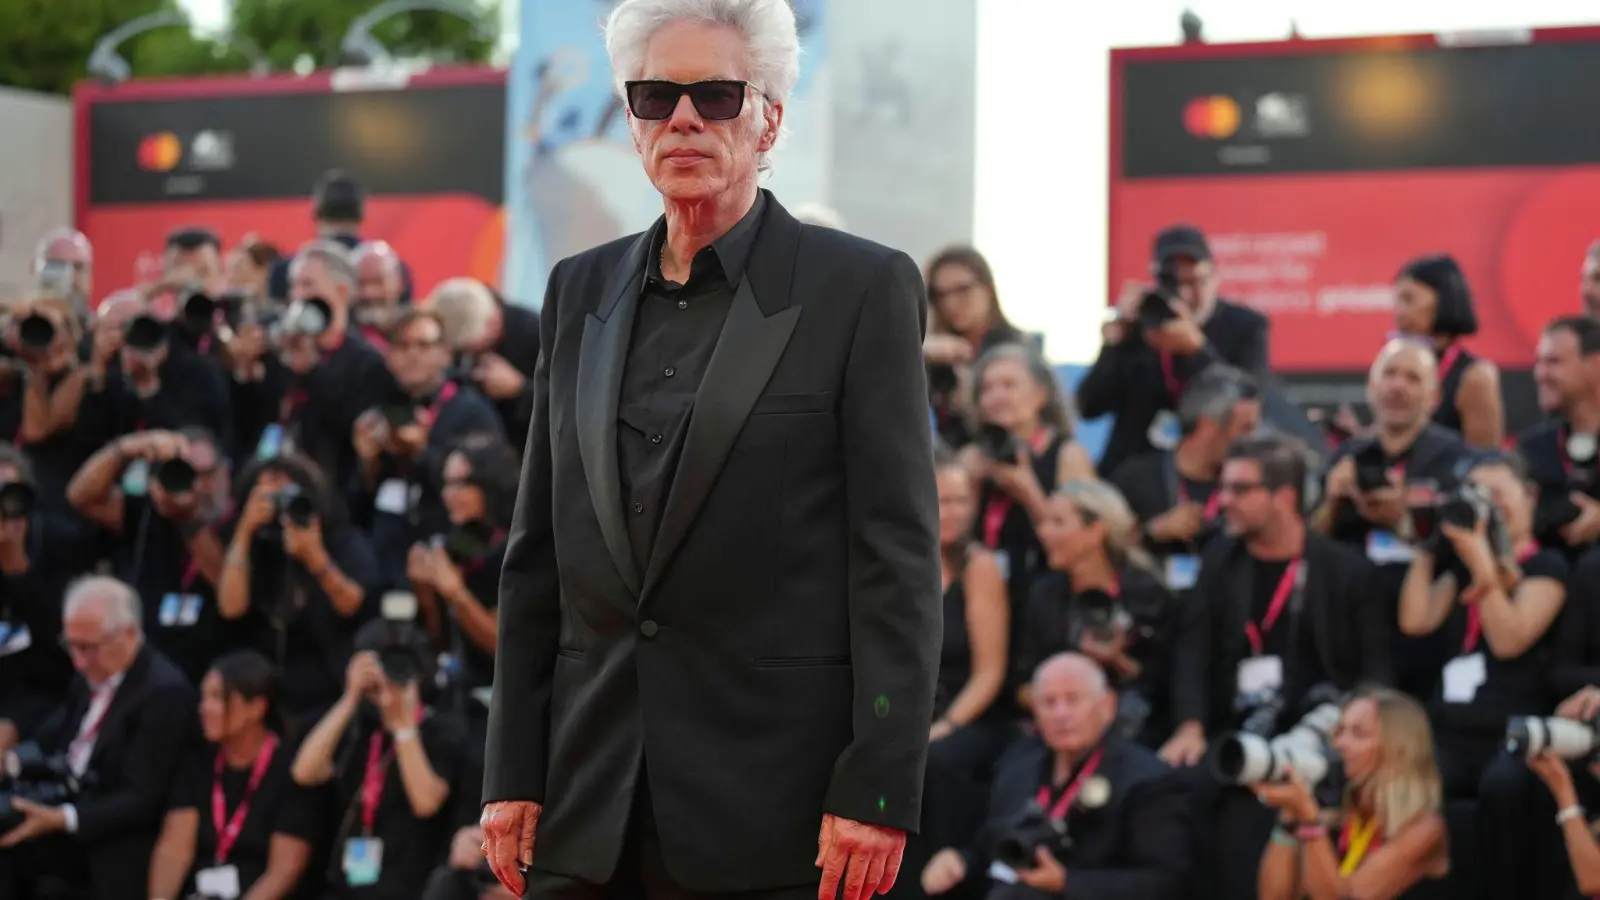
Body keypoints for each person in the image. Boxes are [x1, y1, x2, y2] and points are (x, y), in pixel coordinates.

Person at [479, 1, 943, 898]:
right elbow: (536, 557)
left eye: (717, 94)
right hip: (589, 800)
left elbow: (896, 560)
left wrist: (879, 784)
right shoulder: (579, 290)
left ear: (770, 118)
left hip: (779, 810)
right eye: (656, 95)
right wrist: (512, 775)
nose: (683, 118)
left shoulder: (860, 287)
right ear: (631, 119)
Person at [920, 653, 1192, 899]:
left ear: (1108, 706)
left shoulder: (1149, 780)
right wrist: (960, 860)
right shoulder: (1019, 765)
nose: (1060, 714)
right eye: (1049, 703)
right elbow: (991, 843)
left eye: (1073, 700)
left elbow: (1165, 882)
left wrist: (1066, 882)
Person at [0, 576, 197, 900]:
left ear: (129, 634)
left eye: (87, 648)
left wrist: (63, 819)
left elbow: (141, 796)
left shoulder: (165, 693)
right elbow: (55, 736)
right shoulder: (90, 674)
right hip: (62, 803)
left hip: (110, 834)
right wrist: (11, 759)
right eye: (71, 645)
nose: (77, 661)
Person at [146, 650, 319, 900]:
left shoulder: (290, 769)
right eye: (203, 697)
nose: (205, 708)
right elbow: (175, 847)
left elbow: (284, 870)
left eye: (217, 698)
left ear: (257, 707)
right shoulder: (199, 761)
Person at [1255, 687, 1448, 900]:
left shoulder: (1425, 829)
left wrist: (1309, 820)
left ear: (1398, 750)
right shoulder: (1338, 819)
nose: (1339, 744)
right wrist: (1290, 815)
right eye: (1340, 731)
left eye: (1358, 733)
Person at [1392, 255, 1501, 449]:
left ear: (1443, 300)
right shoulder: (1398, 362)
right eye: (1398, 301)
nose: (1399, 312)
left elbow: (1485, 461)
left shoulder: (1474, 376)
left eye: (1408, 300)